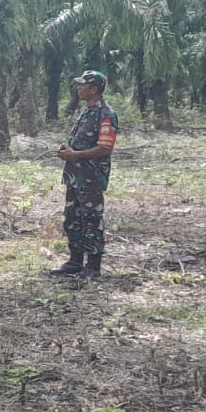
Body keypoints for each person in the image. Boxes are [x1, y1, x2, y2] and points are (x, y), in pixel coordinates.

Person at [51, 70, 119, 279]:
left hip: (91, 178)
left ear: (94, 89)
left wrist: (76, 155)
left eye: (83, 85)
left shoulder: (105, 114)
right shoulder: (86, 113)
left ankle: (93, 267)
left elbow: (105, 148)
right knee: (73, 218)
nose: (79, 88)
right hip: (75, 177)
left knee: (91, 220)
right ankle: (75, 261)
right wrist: (68, 149)